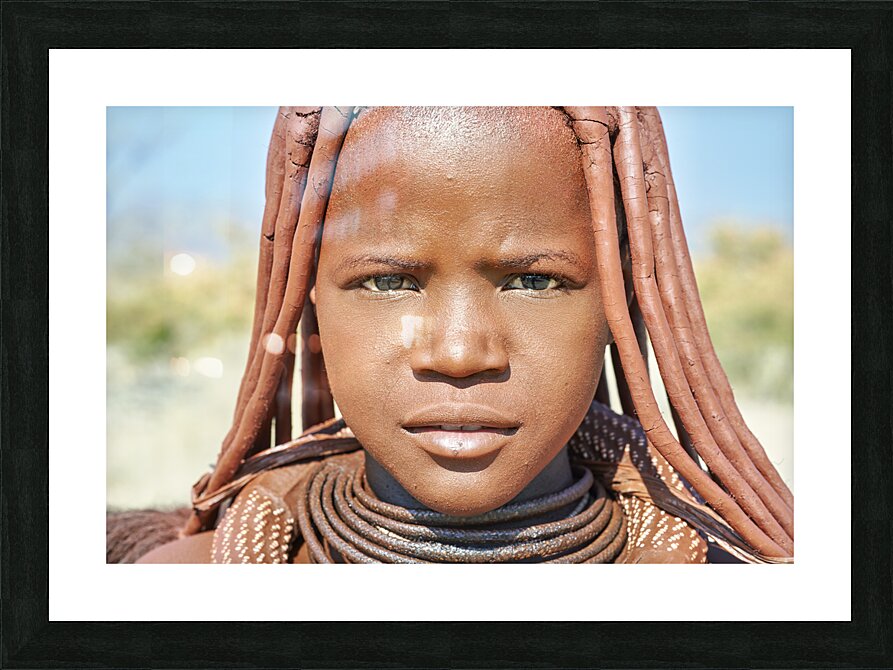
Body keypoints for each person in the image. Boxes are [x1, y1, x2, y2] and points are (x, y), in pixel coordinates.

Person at [109, 106, 794, 564]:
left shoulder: (753, 594)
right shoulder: (163, 588)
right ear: (309, 303)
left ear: (620, 301)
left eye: (534, 282)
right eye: (385, 281)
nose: (460, 354)